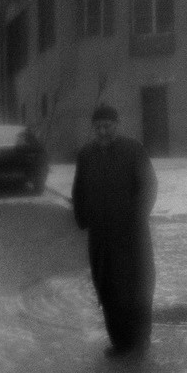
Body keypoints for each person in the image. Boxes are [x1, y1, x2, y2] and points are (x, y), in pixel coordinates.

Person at [72, 104, 158, 357]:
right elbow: (79, 190)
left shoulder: (133, 150)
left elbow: (149, 185)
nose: (102, 132)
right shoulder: (86, 155)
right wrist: (83, 217)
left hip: (132, 235)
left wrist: (137, 216)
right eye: (97, 127)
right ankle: (119, 340)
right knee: (107, 286)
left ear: (117, 125)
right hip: (102, 237)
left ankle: (140, 338)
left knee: (138, 284)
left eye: (107, 126)